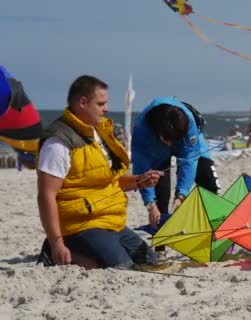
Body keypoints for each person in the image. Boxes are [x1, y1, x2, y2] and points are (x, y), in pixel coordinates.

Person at [37, 75, 161, 269]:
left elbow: (108, 180)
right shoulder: (58, 142)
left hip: (109, 219)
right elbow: (46, 196)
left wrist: (139, 181)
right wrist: (56, 243)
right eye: (101, 103)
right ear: (83, 103)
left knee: (150, 261)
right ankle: (55, 253)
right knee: (122, 267)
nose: (106, 108)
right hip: (81, 224)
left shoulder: (99, 132)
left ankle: (89, 257)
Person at [131, 97, 220, 231]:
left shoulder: (188, 124)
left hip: (188, 140)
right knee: (160, 205)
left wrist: (181, 195)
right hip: (156, 151)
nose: (172, 144)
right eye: (169, 141)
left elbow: (189, 160)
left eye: (175, 141)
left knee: (210, 185)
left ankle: (216, 230)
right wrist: (150, 204)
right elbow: (142, 169)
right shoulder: (142, 131)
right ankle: (160, 248)